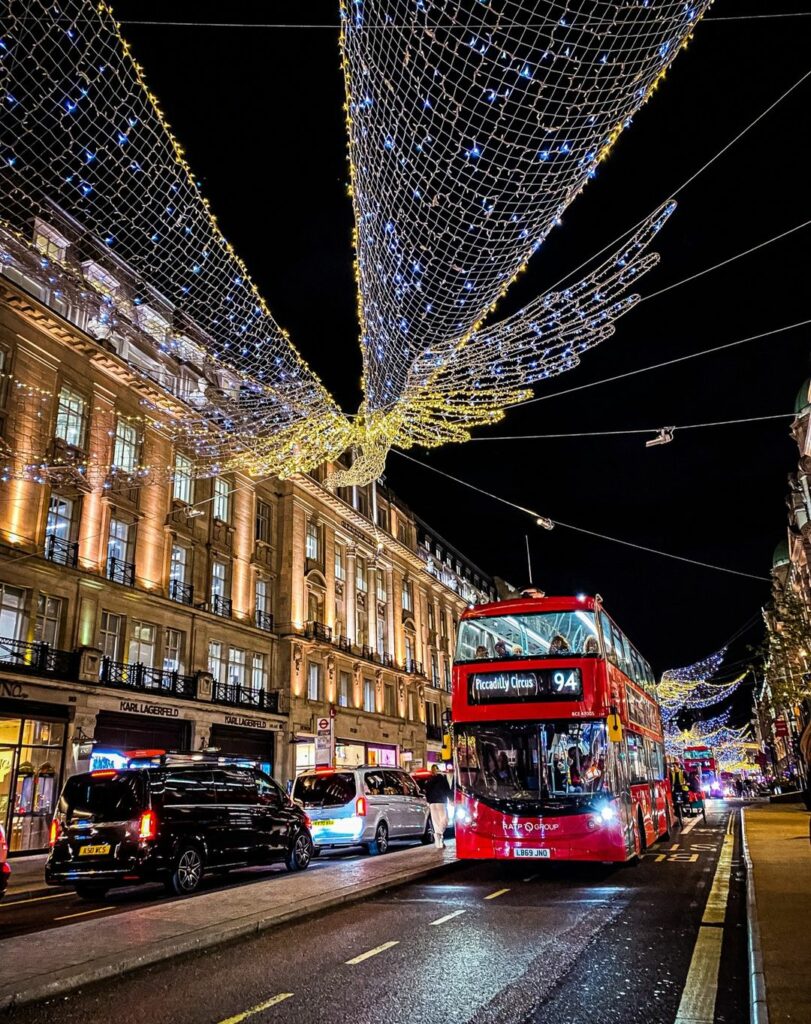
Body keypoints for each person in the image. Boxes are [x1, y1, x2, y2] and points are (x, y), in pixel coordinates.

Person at [425, 765, 452, 849]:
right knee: (445, 819)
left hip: (432, 803)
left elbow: (426, 791)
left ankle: (438, 840)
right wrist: (451, 799)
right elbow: (447, 789)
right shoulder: (442, 778)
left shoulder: (429, 780)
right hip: (441, 802)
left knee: (436, 821)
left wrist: (428, 801)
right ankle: (439, 834)